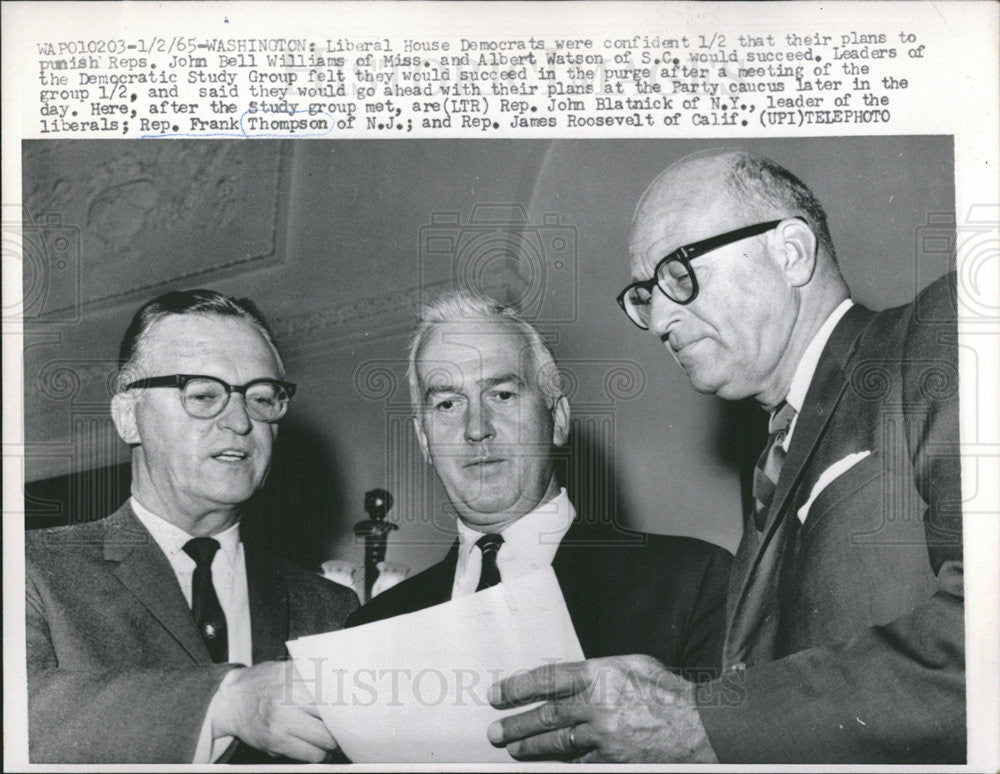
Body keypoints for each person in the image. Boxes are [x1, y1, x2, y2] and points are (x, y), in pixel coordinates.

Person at [487, 150, 963, 763]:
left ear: (791, 252)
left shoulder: (940, 334)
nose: (658, 318)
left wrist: (699, 719)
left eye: (678, 272)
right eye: (644, 294)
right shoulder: (770, 461)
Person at [26, 289, 359, 763]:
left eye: (263, 397)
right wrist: (225, 701)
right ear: (128, 417)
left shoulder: (330, 609)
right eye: (204, 394)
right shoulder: (31, 568)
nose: (241, 421)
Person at [348, 291, 732, 682]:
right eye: (447, 404)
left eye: (502, 395)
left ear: (558, 419)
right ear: (424, 440)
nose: (476, 428)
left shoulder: (690, 584)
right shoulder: (372, 629)